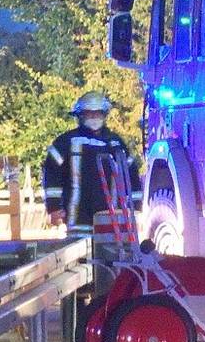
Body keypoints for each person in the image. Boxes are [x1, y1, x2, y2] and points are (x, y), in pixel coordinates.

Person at [41, 92, 140, 238]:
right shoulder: (65, 142)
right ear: (80, 115)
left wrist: (136, 207)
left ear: (104, 114)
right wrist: (54, 208)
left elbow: (132, 177)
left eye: (98, 113)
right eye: (89, 113)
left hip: (111, 222)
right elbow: (51, 175)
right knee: (80, 259)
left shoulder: (116, 143)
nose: (94, 117)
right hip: (77, 220)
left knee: (109, 258)